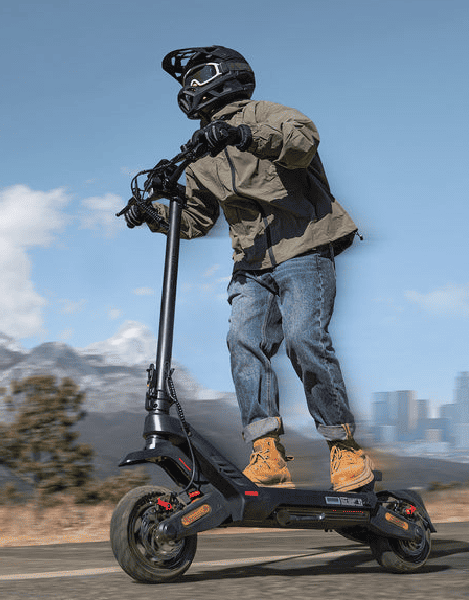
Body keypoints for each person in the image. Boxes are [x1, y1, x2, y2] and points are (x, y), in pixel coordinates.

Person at [123, 46, 374, 492]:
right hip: (251, 264)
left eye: (198, 76)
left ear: (225, 74)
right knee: (243, 341)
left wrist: (240, 135)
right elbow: (199, 222)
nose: (191, 86)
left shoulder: (268, 114)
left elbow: (302, 146)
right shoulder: (201, 155)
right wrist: (155, 214)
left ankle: (344, 448)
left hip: (305, 249)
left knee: (303, 339)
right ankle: (267, 452)